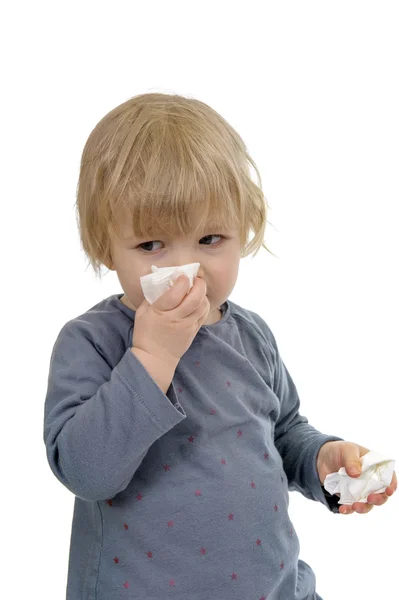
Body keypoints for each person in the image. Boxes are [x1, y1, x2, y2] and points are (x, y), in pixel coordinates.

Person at [43, 92, 397, 600]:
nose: (188, 267)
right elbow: (87, 472)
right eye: (151, 245)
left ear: (244, 230)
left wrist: (320, 458)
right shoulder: (91, 342)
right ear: (105, 245)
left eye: (210, 239)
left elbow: (283, 430)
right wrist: (152, 357)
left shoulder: (251, 335)